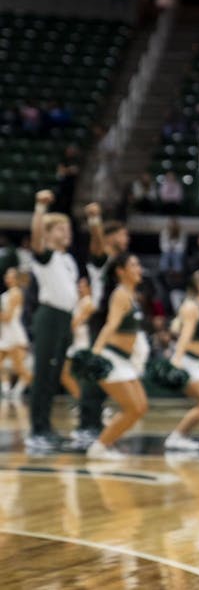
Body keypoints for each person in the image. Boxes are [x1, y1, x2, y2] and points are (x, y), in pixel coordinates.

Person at [71, 206, 130, 450]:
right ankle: (86, 426)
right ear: (111, 237)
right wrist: (95, 219)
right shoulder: (102, 258)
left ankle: (94, 423)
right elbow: (96, 243)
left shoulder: (118, 263)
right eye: (123, 234)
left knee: (104, 376)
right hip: (98, 321)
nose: (127, 239)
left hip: (112, 322)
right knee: (93, 377)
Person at [26, 189, 79, 453]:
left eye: (67, 228)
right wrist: (40, 209)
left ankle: (46, 426)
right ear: (47, 234)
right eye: (59, 228)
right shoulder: (44, 256)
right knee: (42, 375)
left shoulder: (68, 260)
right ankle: (36, 431)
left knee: (53, 377)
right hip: (48, 317)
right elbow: (35, 241)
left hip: (65, 319)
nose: (65, 232)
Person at [86, 253, 149, 459]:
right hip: (112, 358)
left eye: (138, 264)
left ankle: (105, 444)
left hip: (125, 360)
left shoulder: (132, 295)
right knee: (132, 408)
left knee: (141, 408)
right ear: (120, 271)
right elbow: (110, 325)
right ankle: (99, 447)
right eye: (133, 265)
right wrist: (94, 355)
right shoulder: (120, 294)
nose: (138, 268)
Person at [165, 270, 199, 451]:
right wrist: (176, 361)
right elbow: (185, 337)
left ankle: (182, 435)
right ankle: (177, 436)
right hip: (188, 362)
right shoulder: (191, 307)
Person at [0, 268, 32, 400]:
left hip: (13, 332)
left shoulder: (16, 293)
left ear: (16, 279)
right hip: (6, 332)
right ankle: (6, 390)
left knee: (19, 368)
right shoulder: (8, 292)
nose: (7, 277)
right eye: (7, 275)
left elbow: (8, 316)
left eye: (11, 275)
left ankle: (34, 390)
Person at [61, 277, 94, 402]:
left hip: (83, 343)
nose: (79, 288)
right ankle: (82, 402)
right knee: (65, 374)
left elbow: (74, 324)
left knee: (83, 377)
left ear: (89, 288)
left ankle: (91, 405)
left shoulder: (88, 302)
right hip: (75, 343)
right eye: (78, 285)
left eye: (83, 286)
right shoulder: (79, 302)